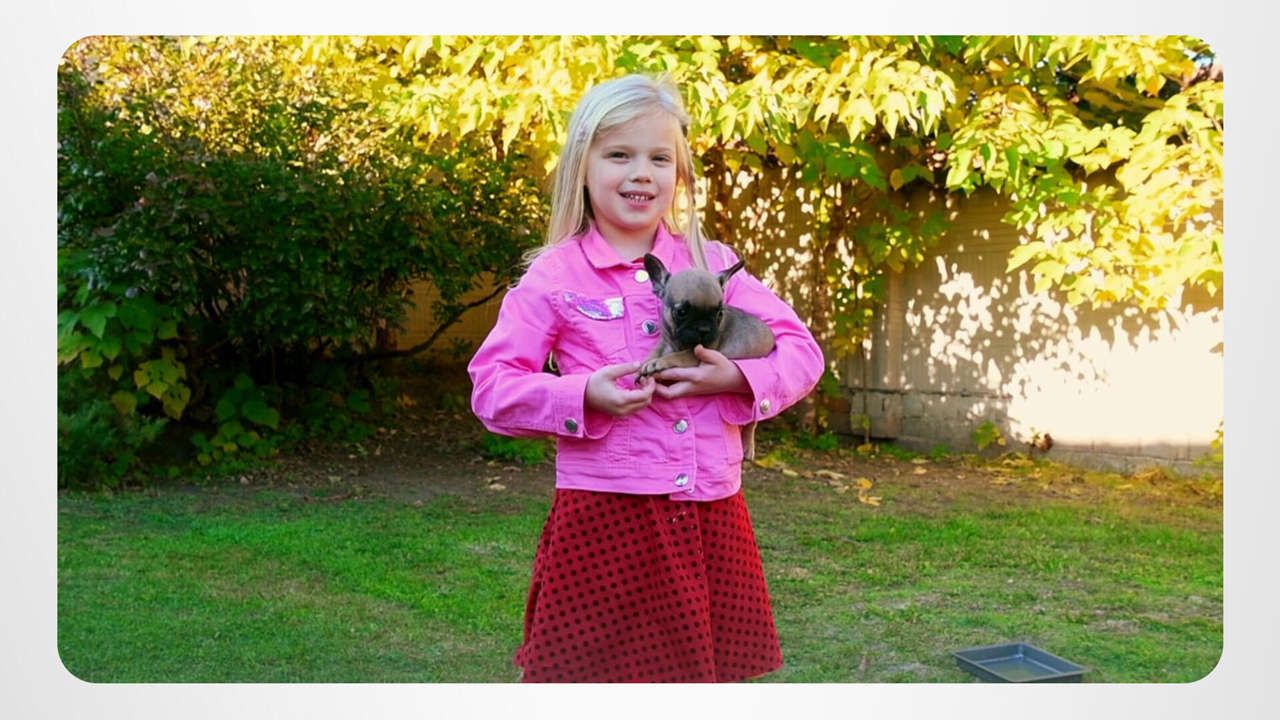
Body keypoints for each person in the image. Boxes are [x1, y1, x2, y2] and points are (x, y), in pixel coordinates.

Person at [467, 73, 824, 683]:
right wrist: (583, 395)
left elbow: (802, 353)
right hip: (603, 520)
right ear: (582, 165)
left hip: (709, 513)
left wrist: (735, 377)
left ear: (679, 172)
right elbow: (492, 388)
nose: (642, 173)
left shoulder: (714, 265)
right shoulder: (555, 277)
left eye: (659, 158)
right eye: (619, 155)